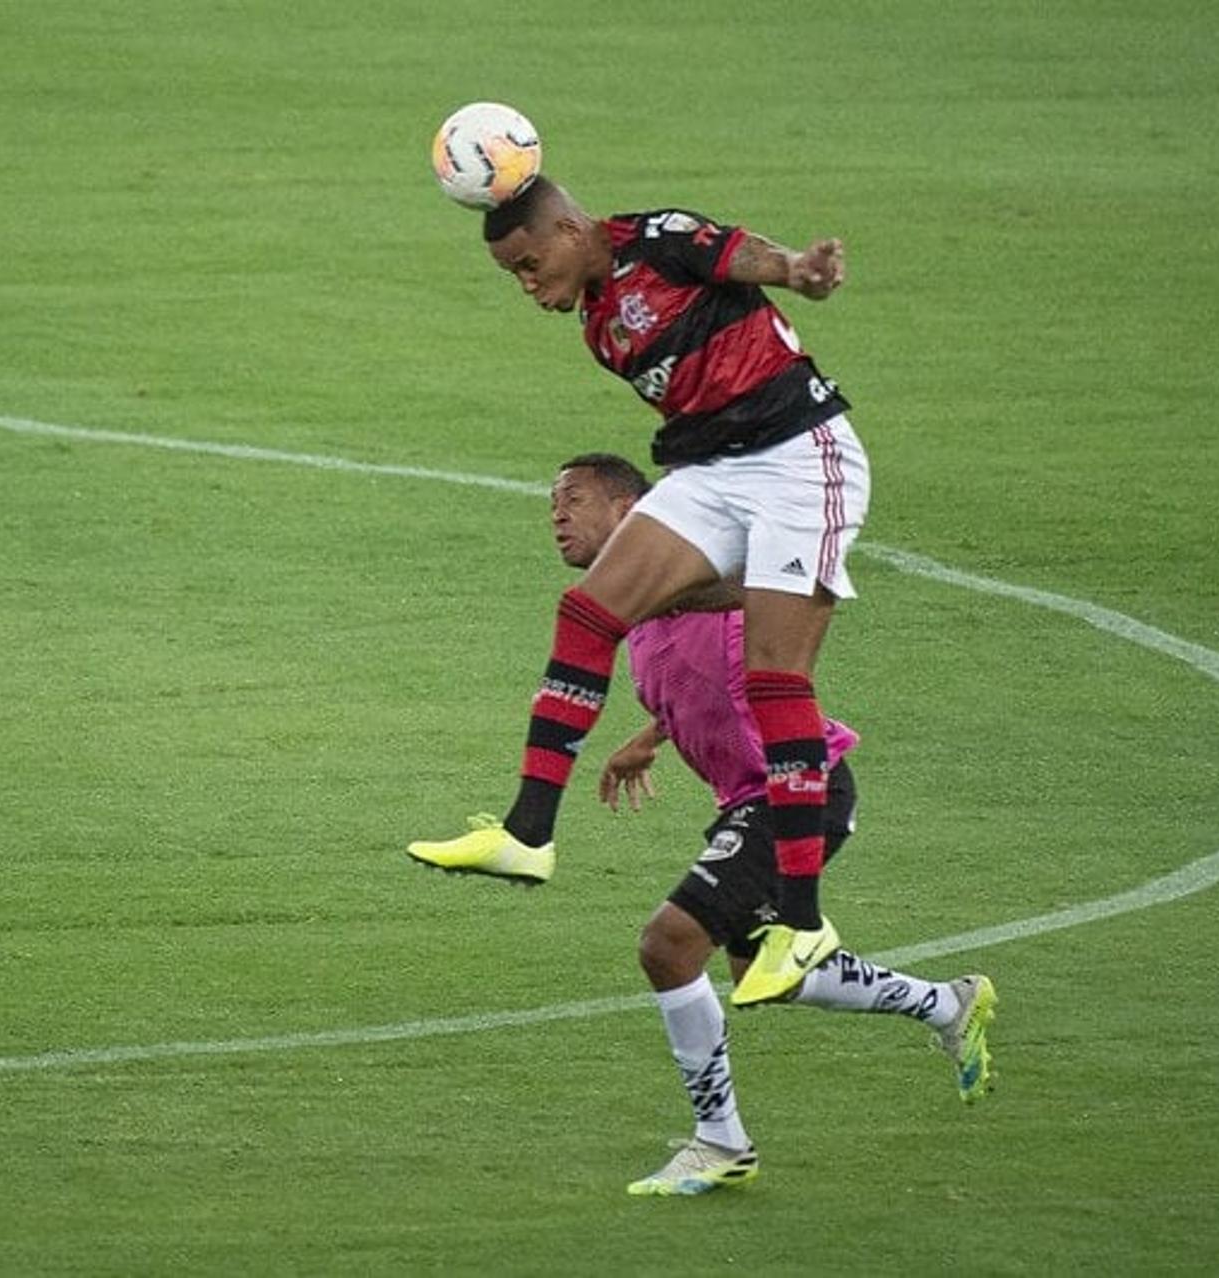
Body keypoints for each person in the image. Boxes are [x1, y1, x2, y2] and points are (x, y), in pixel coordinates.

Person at [470, 454, 999, 1196]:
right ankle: (949, 1002)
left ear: (630, 509)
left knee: (668, 944)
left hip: (798, 791)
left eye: (573, 500)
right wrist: (648, 736)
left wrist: (685, 578)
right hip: (751, 799)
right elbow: (703, 672)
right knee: (764, 976)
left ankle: (720, 1142)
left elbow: (757, 599)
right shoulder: (639, 614)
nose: (556, 516)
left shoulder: (702, 574)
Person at [408, 176, 871, 1006]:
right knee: (588, 613)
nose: (526, 282)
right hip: (712, 472)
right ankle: (528, 834)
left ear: (571, 227)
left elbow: (738, 257)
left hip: (801, 459)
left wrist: (798, 268)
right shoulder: (597, 322)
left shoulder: (653, 238)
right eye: (511, 272)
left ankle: (801, 929)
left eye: (529, 260)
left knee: (776, 682)